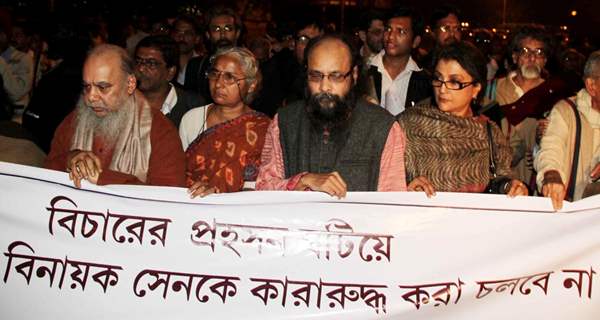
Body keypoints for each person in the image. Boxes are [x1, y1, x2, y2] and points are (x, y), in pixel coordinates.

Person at [256, 34, 407, 197]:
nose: (324, 86)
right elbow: (263, 187)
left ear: (354, 75)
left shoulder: (382, 127)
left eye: (336, 76)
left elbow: (392, 201)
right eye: (316, 76)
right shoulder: (284, 122)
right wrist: (303, 181)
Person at [398, 41, 528, 197]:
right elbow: (385, 180)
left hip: (476, 219)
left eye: (454, 82)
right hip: (423, 219)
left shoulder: (489, 131)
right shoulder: (409, 124)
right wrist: (406, 189)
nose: (443, 89)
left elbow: (501, 179)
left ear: (476, 89)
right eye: (438, 78)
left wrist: (510, 187)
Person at [45, 44, 185, 187]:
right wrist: (70, 158)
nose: (91, 97)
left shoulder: (160, 131)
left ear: (130, 84)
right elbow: (46, 174)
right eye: (87, 86)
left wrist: (102, 178)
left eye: (103, 87)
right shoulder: (73, 121)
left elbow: (167, 198)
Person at [180, 47, 270, 198]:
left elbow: (260, 186)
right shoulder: (191, 119)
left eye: (229, 77)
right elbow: (178, 173)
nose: (219, 84)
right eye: (214, 74)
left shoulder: (263, 128)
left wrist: (218, 192)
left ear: (251, 85)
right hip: (192, 204)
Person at [535, 51, 600, 210]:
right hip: (569, 215)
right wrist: (551, 176)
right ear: (592, 86)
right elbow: (551, 148)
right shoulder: (566, 111)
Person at [364, 7, 431, 115]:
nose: (390, 36)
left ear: (415, 41)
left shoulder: (425, 82)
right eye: (388, 29)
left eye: (400, 31)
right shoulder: (365, 72)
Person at [134, 35, 204, 128]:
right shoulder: (123, 102)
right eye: (138, 61)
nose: (141, 68)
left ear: (170, 72)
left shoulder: (192, 106)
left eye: (151, 63)